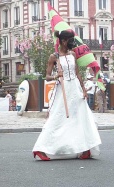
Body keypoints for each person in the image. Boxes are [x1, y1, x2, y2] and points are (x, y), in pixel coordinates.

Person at [32, 30, 101, 160]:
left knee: (82, 117)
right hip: (62, 90)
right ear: (63, 41)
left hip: (75, 88)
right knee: (57, 118)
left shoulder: (73, 54)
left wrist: (83, 89)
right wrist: (55, 75)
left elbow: (77, 72)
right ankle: (40, 149)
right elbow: (47, 77)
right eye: (70, 41)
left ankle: (85, 148)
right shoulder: (54, 57)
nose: (73, 44)